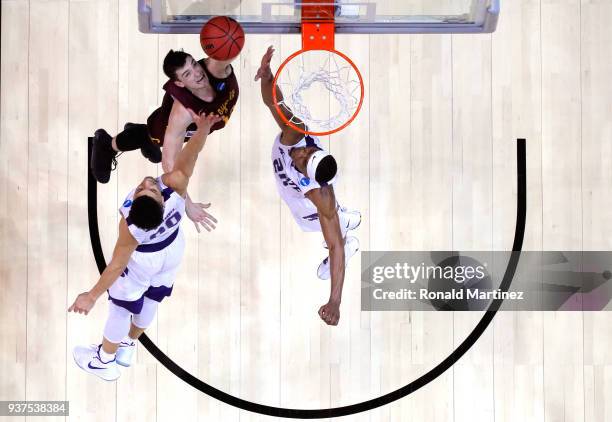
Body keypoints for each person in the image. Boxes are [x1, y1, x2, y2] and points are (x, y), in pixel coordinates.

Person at [69, 111, 221, 381]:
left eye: (146, 189)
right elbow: (191, 155)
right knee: (153, 298)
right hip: (172, 250)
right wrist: (202, 132)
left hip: (145, 260)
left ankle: (104, 361)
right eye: (145, 189)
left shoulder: (130, 227)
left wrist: (91, 296)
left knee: (121, 306)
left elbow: (117, 265)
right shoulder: (176, 186)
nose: (146, 184)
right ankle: (128, 345)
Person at [254, 46, 361, 326]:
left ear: (311, 177)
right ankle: (346, 221)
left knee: (334, 238)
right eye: (306, 152)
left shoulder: (319, 193)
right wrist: (267, 75)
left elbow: (335, 246)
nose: (299, 154)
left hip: (309, 211)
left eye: (303, 159)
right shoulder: (297, 134)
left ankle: (345, 222)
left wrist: (335, 301)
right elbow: (273, 102)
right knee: (334, 231)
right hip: (304, 205)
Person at [91, 49, 239, 232]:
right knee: (149, 137)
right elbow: (170, 165)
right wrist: (187, 203)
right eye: (187, 74)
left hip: (189, 129)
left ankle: (140, 137)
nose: (198, 74)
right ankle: (107, 144)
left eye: (194, 64)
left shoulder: (213, 68)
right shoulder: (183, 113)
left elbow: (230, 48)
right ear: (179, 83)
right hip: (162, 130)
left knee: (152, 144)